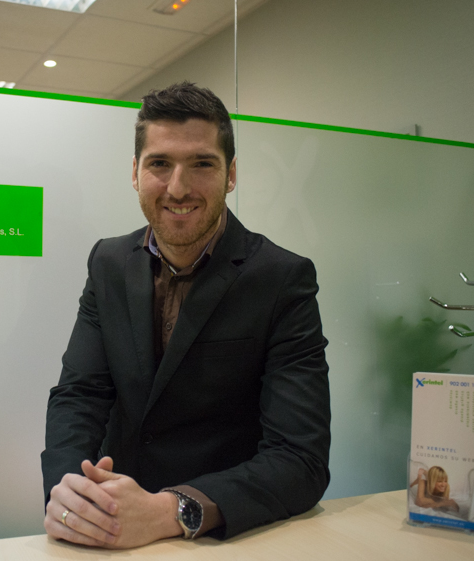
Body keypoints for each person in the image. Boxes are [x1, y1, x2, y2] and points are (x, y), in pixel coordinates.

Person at [41, 82, 331, 548]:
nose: (178, 188)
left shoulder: (281, 279)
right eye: (159, 163)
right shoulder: (108, 262)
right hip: (113, 527)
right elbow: (80, 395)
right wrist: (71, 492)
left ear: (231, 174)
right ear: (135, 172)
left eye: (202, 164)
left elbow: (300, 458)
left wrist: (170, 509)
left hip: (222, 539)